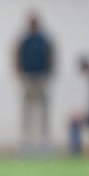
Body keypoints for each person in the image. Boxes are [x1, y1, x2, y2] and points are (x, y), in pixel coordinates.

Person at [14, 12, 55, 154]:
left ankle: (44, 141)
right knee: (27, 111)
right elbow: (17, 58)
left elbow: (51, 58)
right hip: (28, 79)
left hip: (41, 79)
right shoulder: (24, 41)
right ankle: (27, 141)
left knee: (43, 111)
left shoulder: (45, 40)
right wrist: (20, 76)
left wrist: (48, 76)